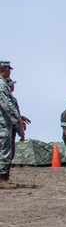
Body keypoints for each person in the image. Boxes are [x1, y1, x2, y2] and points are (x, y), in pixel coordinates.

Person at [0, 61, 26, 189]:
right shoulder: (1, 84)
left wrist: (19, 118)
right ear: (5, 69)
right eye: (9, 69)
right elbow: (6, 105)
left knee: (7, 150)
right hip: (3, 124)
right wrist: (18, 120)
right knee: (4, 150)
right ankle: (2, 179)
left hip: (6, 123)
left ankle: (5, 177)